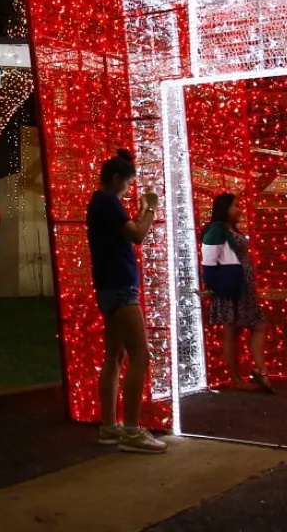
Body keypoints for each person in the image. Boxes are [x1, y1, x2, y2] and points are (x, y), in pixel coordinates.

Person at [88, 148, 166, 454]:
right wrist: (149, 209)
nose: (128, 190)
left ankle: (110, 425)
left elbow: (125, 232)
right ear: (116, 178)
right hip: (121, 288)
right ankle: (132, 431)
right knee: (140, 355)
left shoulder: (100, 203)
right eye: (128, 183)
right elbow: (137, 234)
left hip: (108, 287)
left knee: (115, 357)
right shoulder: (108, 201)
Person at [200, 193, 274, 393]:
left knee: (252, 326)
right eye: (236, 206)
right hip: (231, 287)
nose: (240, 209)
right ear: (225, 208)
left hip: (244, 287)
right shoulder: (217, 230)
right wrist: (211, 286)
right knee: (235, 329)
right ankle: (239, 377)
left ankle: (258, 370)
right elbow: (209, 259)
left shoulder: (232, 230)